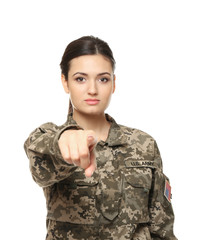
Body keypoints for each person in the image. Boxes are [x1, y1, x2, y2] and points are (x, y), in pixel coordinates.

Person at [24, 36, 177, 240]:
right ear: (65, 82)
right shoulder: (50, 138)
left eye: (103, 79)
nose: (93, 89)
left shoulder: (144, 144)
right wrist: (65, 141)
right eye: (80, 78)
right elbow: (41, 160)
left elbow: (162, 229)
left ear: (113, 83)